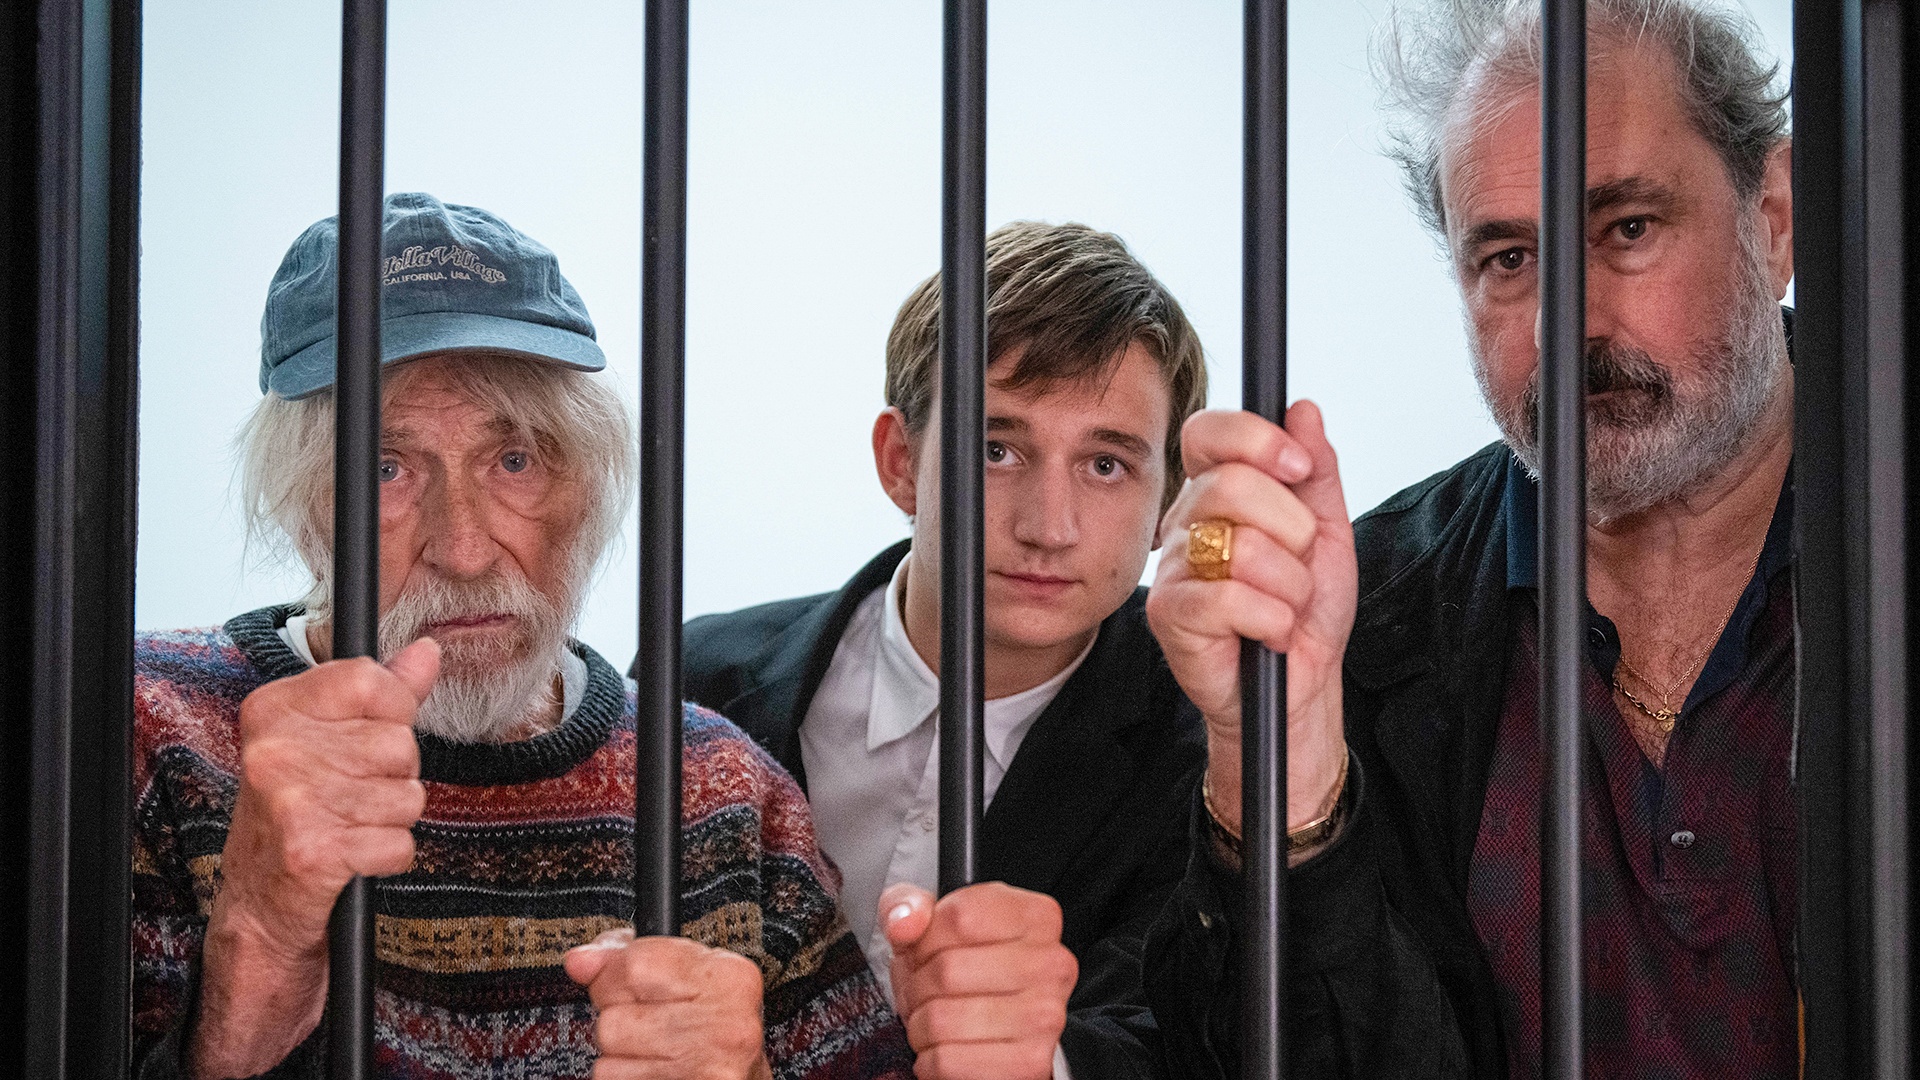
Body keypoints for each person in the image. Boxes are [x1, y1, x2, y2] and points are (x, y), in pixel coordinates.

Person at [1139, 2, 1800, 1077]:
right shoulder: (1366, 615)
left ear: (1772, 219)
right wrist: (1283, 767)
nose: (1566, 323)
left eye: (1628, 229)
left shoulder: (1888, 539)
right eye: (1508, 258)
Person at [130, 193, 914, 1080]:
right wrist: (261, 940)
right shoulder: (147, 731)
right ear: (300, 504)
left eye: (515, 461)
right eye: (386, 468)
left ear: (587, 488)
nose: (464, 550)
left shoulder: (719, 788)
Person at [671, 222, 1209, 1079]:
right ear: (899, 461)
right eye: (997, 449)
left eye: (1106, 465)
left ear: (1167, 502)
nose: (1050, 527)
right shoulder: (695, 681)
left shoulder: (1218, 742)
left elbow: (1203, 1035)